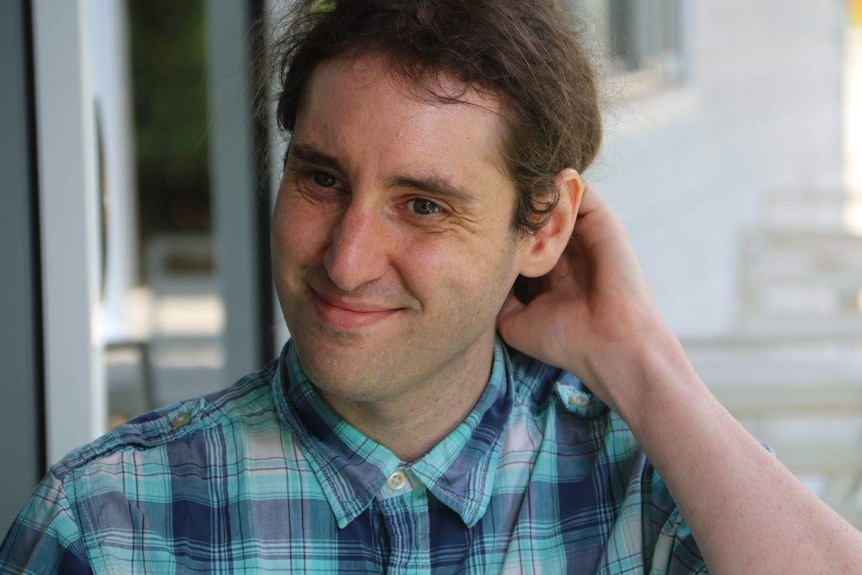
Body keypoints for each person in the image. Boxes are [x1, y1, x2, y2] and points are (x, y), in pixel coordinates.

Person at [2, 0, 861, 572]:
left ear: (547, 227)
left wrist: (639, 359)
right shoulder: (108, 522)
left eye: (422, 204)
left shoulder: (649, 495)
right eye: (322, 179)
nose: (345, 260)